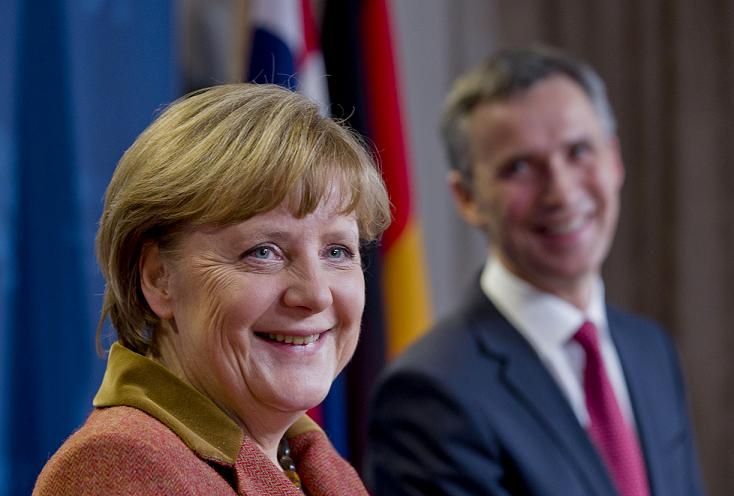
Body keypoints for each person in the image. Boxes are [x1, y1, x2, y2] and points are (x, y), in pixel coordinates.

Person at [365, 46, 704, 496]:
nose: (561, 192)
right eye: (519, 167)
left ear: (614, 159)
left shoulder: (650, 349)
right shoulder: (430, 392)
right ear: (467, 197)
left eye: (579, 151)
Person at [34, 83, 390, 495]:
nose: (316, 294)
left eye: (337, 250)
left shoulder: (314, 465)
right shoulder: (116, 469)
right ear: (158, 277)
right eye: (264, 251)